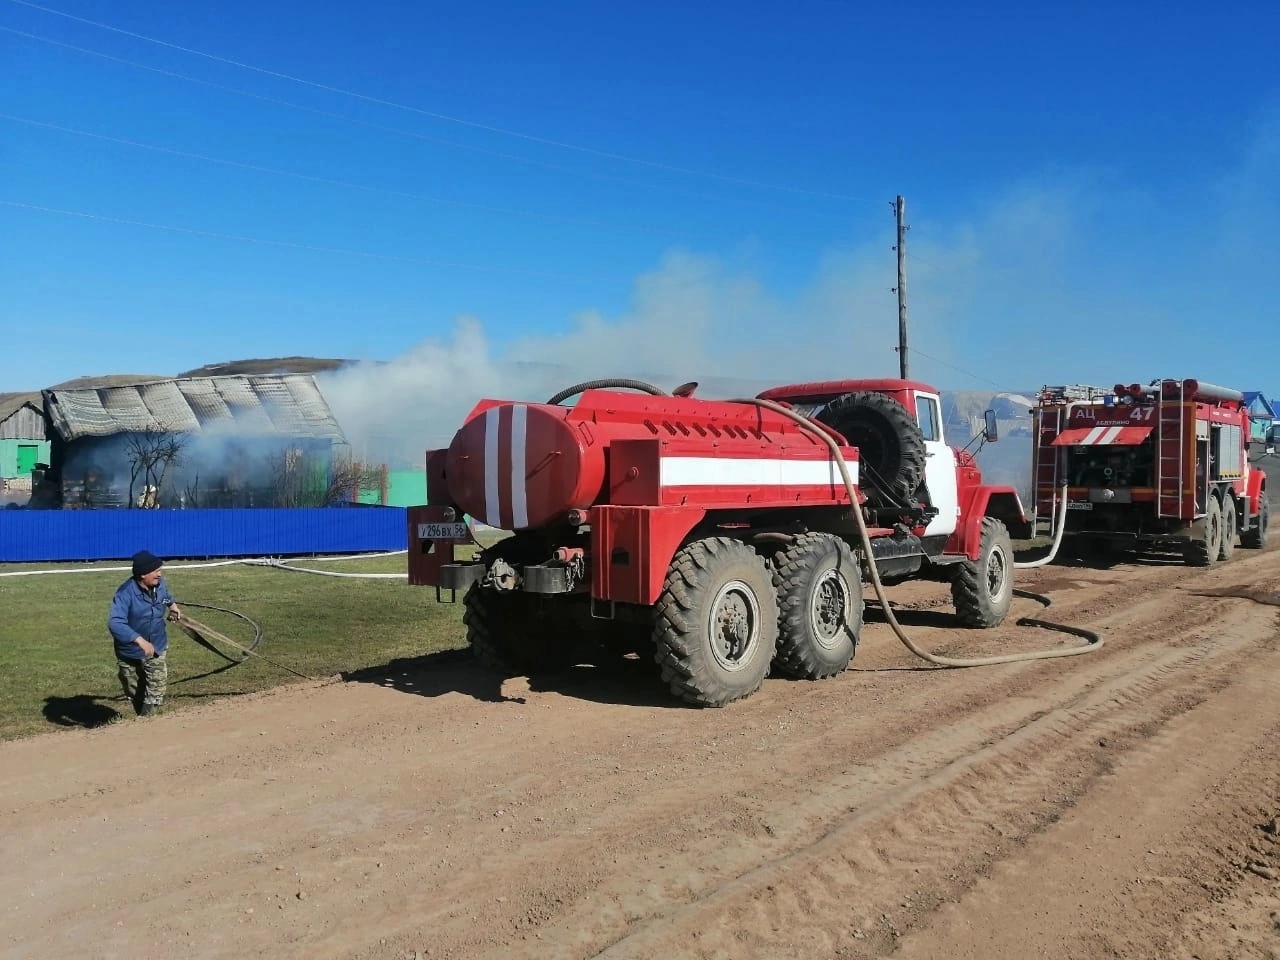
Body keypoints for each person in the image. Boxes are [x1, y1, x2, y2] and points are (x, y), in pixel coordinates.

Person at [108, 550, 182, 717]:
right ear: (142, 574)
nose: (160, 574)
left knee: (156, 687)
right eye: (156, 571)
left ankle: (148, 722)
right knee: (134, 691)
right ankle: (143, 719)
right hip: (130, 652)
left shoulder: (159, 584)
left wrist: (172, 605)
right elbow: (115, 622)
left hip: (157, 645)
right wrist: (139, 640)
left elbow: (165, 596)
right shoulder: (124, 593)